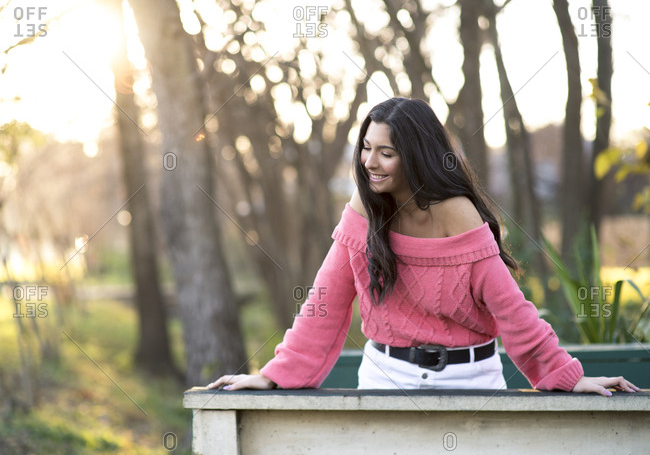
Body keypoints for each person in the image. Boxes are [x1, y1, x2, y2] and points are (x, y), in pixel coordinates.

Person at [207, 97, 639, 396]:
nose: (369, 163)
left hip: (470, 382)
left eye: (386, 153)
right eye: (366, 149)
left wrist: (564, 375)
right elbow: (325, 301)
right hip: (384, 378)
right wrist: (274, 375)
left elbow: (512, 308)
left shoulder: (458, 213)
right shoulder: (365, 210)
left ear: (415, 156)